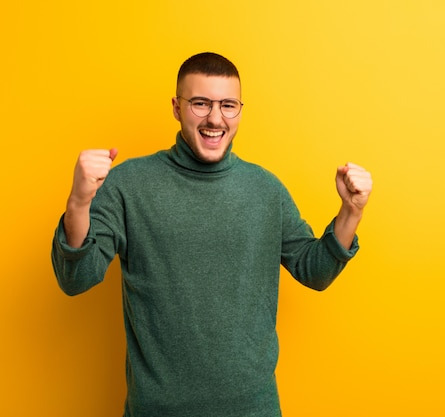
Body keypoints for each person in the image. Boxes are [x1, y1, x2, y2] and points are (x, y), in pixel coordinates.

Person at [51, 52, 373, 417]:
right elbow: (76, 277)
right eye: (200, 103)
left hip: (253, 410)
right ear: (176, 107)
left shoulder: (265, 189)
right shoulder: (129, 184)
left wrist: (351, 211)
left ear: (240, 109)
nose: (215, 119)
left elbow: (315, 272)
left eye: (228, 105)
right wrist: (79, 202)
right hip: (157, 411)